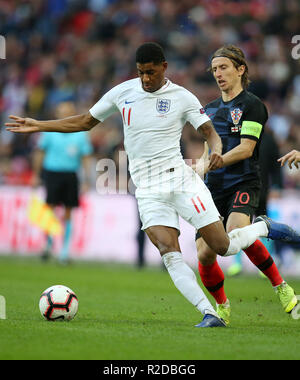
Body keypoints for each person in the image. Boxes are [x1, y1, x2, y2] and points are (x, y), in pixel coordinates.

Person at [5, 42, 300, 328]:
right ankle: (209, 312)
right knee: (168, 250)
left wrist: (216, 153)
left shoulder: (183, 97)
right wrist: (39, 124)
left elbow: (210, 133)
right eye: (140, 72)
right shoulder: (123, 92)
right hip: (147, 190)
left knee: (222, 247)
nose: (145, 78)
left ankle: (262, 227)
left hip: (180, 181)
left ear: (164, 68)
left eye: (151, 72)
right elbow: (84, 121)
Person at [194, 45, 298, 325]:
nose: (218, 74)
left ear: (240, 69)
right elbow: (207, 151)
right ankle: (222, 306)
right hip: (212, 188)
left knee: (235, 234)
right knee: (204, 254)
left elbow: (246, 148)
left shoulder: (253, 105)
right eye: (214, 69)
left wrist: (216, 161)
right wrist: (198, 168)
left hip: (243, 181)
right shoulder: (209, 110)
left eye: (224, 67)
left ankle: (281, 287)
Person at [31, 101, 93, 264]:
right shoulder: (49, 131)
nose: (64, 114)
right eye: (61, 111)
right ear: (57, 114)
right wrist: (36, 175)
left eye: (67, 111)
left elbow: (86, 157)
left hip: (70, 174)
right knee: (49, 210)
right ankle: (48, 245)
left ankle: (64, 252)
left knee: (68, 213)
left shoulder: (80, 134)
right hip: (52, 173)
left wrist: (87, 179)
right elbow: (40, 153)